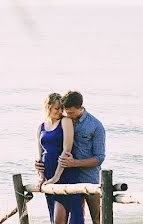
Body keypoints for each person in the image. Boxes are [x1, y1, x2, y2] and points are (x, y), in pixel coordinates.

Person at [35, 90, 106, 224]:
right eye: (66, 112)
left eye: (71, 113)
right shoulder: (63, 120)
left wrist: (74, 163)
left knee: (97, 218)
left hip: (87, 176)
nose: (67, 115)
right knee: (75, 216)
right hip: (68, 173)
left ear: (80, 108)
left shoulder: (95, 126)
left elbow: (99, 158)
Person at [35, 92, 84, 224]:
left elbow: (66, 150)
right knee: (54, 217)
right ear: (48, 107)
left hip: (64, 174)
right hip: (48, 175)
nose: (60, 111)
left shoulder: (65, 121)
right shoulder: (41, 127)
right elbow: (39, 155)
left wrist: (56, 177)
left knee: (59, 219)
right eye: (57, 108)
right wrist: (41, 177)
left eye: (62, 108)